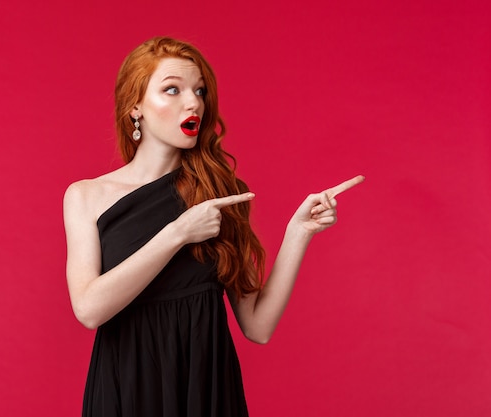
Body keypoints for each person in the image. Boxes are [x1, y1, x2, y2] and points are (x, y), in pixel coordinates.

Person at [63, 36, 364, 417]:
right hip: (127, 388)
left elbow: (258, 326)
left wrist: (298, 232)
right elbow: (89, 309)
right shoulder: (86, 196)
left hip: (204, 390)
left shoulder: (219, 193)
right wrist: (179, 233)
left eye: (200, 91)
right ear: (135, 106)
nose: (193, 103)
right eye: (172, 89)